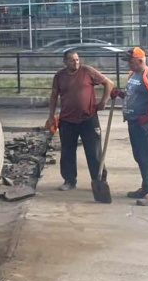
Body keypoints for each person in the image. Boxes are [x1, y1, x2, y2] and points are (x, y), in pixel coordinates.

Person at [44, 50, 114, 192]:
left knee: (94, 151)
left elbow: (109, 83)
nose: (75, 62)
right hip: (67, 120)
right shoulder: (59, 76)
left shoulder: (87, 71)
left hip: (88, 119)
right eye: (72, 60)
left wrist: (103, 102)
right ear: (65, 62)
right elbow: (53, 96)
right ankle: (69, 180)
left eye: (77, 59)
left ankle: (99, 179)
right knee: (67, 151)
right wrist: (51, 116)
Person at [111, 46, 148, 207]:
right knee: (140, 156)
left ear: (140, 60)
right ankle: (145, 187)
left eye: (131, 61)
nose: (128, 64)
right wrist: (120, 94)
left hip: (143, 123)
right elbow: (133, 95)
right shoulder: (133, 74)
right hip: (133, 121)